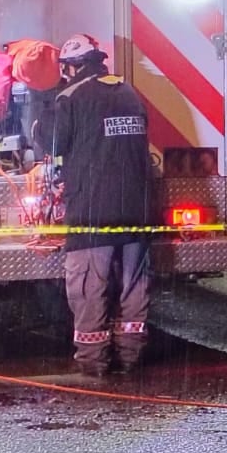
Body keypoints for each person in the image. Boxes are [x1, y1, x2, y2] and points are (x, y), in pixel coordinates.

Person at [52, 33, 153, 377]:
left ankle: (94, 364)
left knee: (88, 285)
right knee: (133, 284)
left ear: (71, 67)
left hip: (94, 212)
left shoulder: (70, 96)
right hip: (137, 210)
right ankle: (130, 357)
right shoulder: (127, 91)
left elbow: (53, 143)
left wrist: (37, 121)